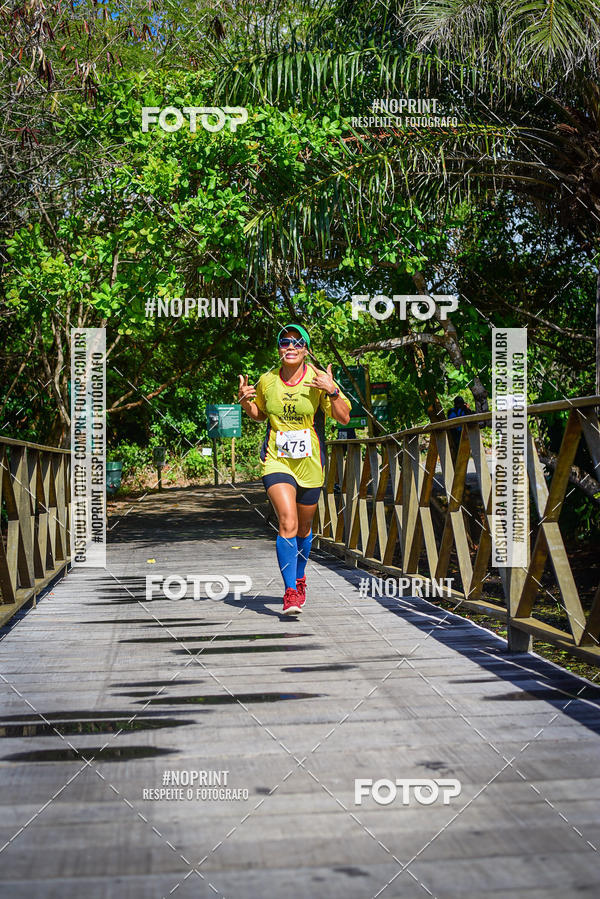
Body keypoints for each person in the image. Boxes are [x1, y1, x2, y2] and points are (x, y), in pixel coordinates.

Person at [238, 324, 351, 615]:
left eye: (298, 343)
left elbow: (344, 418)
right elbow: (259, 413)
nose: (291, 347)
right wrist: (245, 403)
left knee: (303, 528)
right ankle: (290, 592)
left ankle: (300, 578)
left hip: (311, 462)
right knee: (286, 522)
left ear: (306, 349)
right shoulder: (267, 380)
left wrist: (333, 391)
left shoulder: (318, 379)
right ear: (278, 347)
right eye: (285, 341)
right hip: (277, 459)